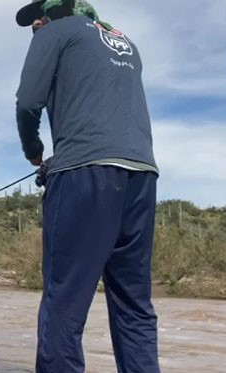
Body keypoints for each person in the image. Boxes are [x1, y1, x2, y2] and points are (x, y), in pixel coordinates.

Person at [14, 0, 161, 372]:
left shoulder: (53, 32)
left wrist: (35, 152)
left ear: (56, 12)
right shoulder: (125, 42)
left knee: (63, 302)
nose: (34, 22)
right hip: (141, 176)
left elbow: (28, 102)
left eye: (38, 15)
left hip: (83, 175)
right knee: (134, 305)